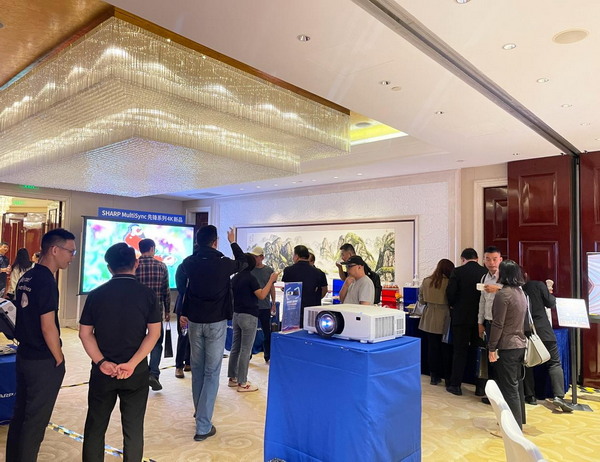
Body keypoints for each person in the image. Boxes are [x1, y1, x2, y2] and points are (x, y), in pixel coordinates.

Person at [79, 243, 161, 461]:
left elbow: (85, 334)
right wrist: (132, 364)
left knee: (95, 427)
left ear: (109, 267)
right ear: (136, 263)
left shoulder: (95, 295)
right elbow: (154, 334)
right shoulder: (148, 295)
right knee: (133, 429)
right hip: (136, 372)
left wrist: (102, 362)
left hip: (102, 373)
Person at [6, 228, 76, 462]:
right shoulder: (46, 281)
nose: (72, 257)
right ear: (54, 250)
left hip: (24, 354)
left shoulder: (27, 277)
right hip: (42, 360)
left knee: (21, 415)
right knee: (35, 421)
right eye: (70, 251)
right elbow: (48, 326)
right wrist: (59, 357)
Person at [179, 225, 247, 441]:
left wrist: (183, 309)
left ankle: (200, 413)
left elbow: (183, 286)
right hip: (216, 321)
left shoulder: (189, 262)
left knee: (198, 370)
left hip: (195, 321)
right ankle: (203, 425)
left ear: (198, 242)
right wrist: (233, 241)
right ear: (215, 242)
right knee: (211, 372)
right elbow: (244, 262)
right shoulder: (223, 263)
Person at [522, 272, 573, 412]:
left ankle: (530, 396)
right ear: (526, 274)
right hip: (544, 330)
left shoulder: (514, 290)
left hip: (526, 331)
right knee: (554, 363)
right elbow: (551, 303)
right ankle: (558, 396)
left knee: (527, 364)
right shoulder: (538, 285)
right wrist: (549, 292)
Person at [228, 253, 279, 391]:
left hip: (236, 315)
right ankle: (242, 383)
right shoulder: (251, 278)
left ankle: (232, 378)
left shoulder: (235, 277)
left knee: (235, 347)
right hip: (249, 316)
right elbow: (262, 295)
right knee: (246, 349)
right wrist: (271, 280)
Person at [488, 260, 528, 429]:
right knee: (516, 386)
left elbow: (498, 324)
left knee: (509, 388)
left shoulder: (503, 294)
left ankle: (513, 428)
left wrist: (491, 347)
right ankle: (518, 422)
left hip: (508, 345)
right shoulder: (520, 292)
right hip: (520, 344)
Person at [446, 248, 487, 396]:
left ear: (463, 259)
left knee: (459, 351)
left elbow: (450, 294)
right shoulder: (485, 273)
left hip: (461, 318)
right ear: (477, 258)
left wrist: (454, 306)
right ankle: (480, 387)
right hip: (480, 319)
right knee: (480, 351)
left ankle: (456, 385)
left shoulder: (457, 271)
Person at [135, 238, 171, 392]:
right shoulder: (161, 266)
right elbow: (165, 291)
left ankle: (138, 374)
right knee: (156, 343)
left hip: (137, 311)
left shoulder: (134, 265)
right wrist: (167, 310)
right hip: (156, 312)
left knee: (137, 342)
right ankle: (153, 374)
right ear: (152, 248)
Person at [418, 258, 455, 386]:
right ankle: (448, 378)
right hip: (445, 316)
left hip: (429, 316)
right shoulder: (450, 282)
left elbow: (421, 300)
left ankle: (434, 376)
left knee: (432, 348)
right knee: (446, 349)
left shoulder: (427, 281)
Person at [477, 246, 503, 403]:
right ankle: (492, 395)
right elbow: (482, 302)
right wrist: (480, 322)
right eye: (488, 259)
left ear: (500, 260)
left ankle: (503, 395)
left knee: (501, 360)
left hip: (503, 324)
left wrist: (498, 289)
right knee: (490, 359)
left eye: (494, 259)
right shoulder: (484, 278)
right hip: (488, 322)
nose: (491, 262)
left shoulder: (505, 277)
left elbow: (515, 294)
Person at [282, 245, 328, 328]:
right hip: (312, 310)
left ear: (296, 256)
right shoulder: (319, 273)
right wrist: (315, 298)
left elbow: (288, 288)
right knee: (311, 331)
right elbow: (324, 290)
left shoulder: (288, 270)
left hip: (293, 310)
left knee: (292, 332)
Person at [250, 246, 277, 364]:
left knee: (267, 332)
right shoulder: (249, 270)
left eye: (256, 256)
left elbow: (272, 288)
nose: (254, 259)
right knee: (250, 332)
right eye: (253, 256)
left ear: (262, 257)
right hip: (252, 306)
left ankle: (268, 355)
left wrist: (273, 303)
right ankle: (248, 354)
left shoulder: (269, 271)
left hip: (265, 306)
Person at [174, 265, 191, 378]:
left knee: (194, 337)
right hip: (184, 307)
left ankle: (189, 362)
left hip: (198, 308)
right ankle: (179, 366)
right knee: (183, 336)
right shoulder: (183, 267)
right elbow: (181, 288)